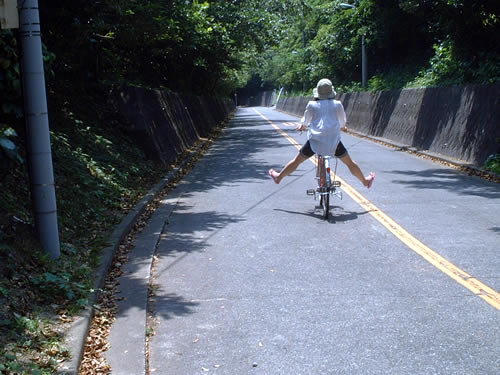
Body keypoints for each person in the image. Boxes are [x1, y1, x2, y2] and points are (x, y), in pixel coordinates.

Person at [268, 78, 375, 188]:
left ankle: (279, 177)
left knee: (296, 161)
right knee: (350, 163)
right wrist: (343, 127)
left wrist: (302, 126)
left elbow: (306, 121)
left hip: (315, 142)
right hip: (334, 143)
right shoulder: (337, 104)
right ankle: (365, 181)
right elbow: (342, 121)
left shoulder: (312, 105)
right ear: (331, 92)